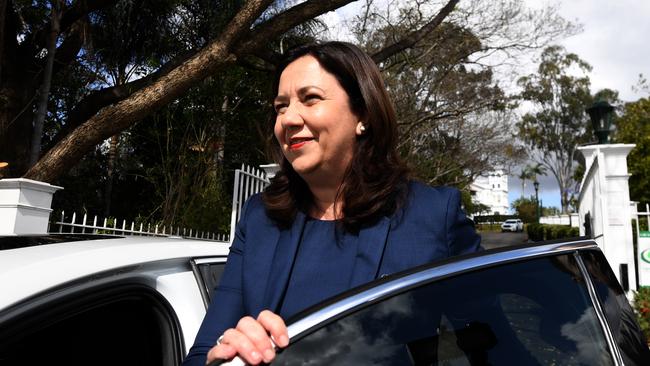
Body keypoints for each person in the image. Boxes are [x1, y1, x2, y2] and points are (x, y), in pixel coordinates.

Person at [182, 41, 481, 366]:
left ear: (363, 114)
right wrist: (222, 356)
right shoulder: (259, 218)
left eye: (310, 99)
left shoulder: (432, 214)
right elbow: (202, 355)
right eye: (280, 107)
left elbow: (489, 345)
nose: (288, 119)